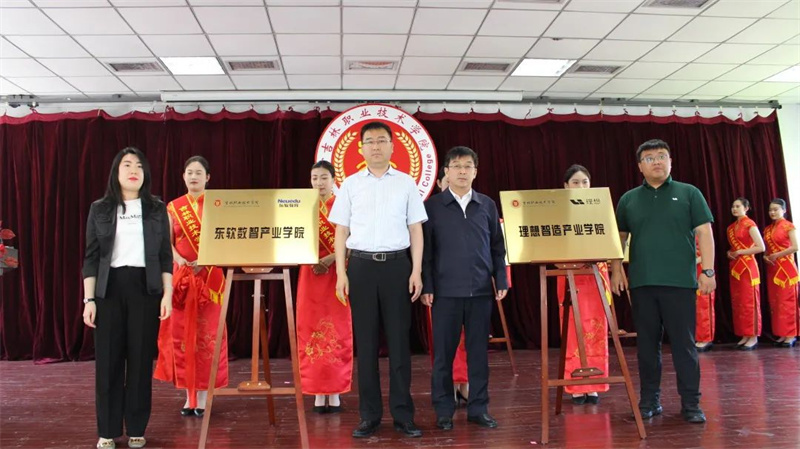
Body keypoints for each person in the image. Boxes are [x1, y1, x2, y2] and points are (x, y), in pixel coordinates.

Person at [329, 121, 428, 438]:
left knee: (399, 344)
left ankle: (403, 415)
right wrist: (341, 273)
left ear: (392, 146)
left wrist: (416, 270)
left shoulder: (406, 183)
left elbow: (416, 229)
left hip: (397, 267)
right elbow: (341, 230)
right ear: (360, 148)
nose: (375, 146)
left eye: (381, 140)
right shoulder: (350, 185)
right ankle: (369, 416)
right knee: (367, 344)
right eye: (369, 141)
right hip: (361, 267)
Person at [610, 139, 715, 424]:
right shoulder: (628, 199)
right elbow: (620, 239)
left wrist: (708, 271)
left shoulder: (689, 193)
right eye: (649, 158)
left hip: (680, 283)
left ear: (670, 162)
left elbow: (704, 233)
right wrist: (616, 270)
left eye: (661, 156)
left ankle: (691, 404)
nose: (656, 161)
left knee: (684, 346)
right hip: (642, 283)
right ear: (640, 166)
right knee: (646, 347)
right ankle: (649, 401)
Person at [82, 147, 173, 449]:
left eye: (139, 166)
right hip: (108, 291)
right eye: (127, 165)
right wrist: (89, 300)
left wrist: (167, 294)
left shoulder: (156, 209)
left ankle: (136, 427)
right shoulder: (100, 208)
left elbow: (165, 255)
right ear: (116, 172)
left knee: (140, 361)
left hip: (145, 290)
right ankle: (107, 431)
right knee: (108, 362)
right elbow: (91, 257)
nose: (133, 170)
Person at [421, 146, 508, 431]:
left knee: (478, 355)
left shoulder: (487, 205)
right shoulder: (432, 207)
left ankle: (478, 408)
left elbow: (498, 247)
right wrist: (427, 285)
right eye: (456, 166)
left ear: (475, 172)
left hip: (481, 292)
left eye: (467, 166)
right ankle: (443, 410)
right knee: (443, 357)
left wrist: (501, 279)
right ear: (446, 172)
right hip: (444, 293)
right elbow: (426, 252)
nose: (462, 171)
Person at [153, 156, 228, 418]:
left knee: (207, 337)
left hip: (210, 277)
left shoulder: (219, 205)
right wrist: (179, 259)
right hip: (182, 277)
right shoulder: (174, 207)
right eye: (189, 172)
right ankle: (189, 398)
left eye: (198, 172)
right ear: (183, 176)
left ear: (208, 177)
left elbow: (226, 239)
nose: (193, 176)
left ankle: (204, 397)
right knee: (183, 336)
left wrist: (205, 260)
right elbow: (167, 243)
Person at [296, 160, 353, 413]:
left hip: (337, 273)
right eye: (314, 178)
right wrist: (311, 260)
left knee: (338, 328)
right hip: (309, 274)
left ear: (333, 180)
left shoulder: (343, 205)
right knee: (309, 328)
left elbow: (354, 240)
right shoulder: (302, 207)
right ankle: (317, 391)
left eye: (323, 178)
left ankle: (336, 390)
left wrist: (330, 259)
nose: (318, 183)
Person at [556, 165, 610, 405]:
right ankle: (576, 384)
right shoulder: (557, 212)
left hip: (595, 274)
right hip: (569, 273)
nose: (581, 186)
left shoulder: (600, 209)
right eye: (575, 182)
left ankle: (595, 383)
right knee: (572, 328)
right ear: (566, 186)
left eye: (585, 182)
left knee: (596, 328)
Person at [426, 167, 470, 406]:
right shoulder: (432, 211)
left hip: (469, 286)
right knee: (445, 341)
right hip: (441, 287)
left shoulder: (474, 207)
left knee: (468, 338)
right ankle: (449, 388)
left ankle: (465, 384)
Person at [726, 197, 765, 350]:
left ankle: (753, 335)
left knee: (750, 302)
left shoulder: (750, 224)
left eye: (738, 206)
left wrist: (740, 252)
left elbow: (761, 247)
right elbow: (734, 248)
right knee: (739, 302)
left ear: (746, 208)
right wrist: (730, 253)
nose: (734, 209)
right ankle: (744, 334)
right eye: (733, 206)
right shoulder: (731, 227)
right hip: (736, 268)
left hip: (748, 268)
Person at [763, 198, 799, 348]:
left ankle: (791, 334)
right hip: (773, 268)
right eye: (770, 210)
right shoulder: (767, 229)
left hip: (786, 269)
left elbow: (795, 247)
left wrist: (777, 255)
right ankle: (782, 333)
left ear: (784, 210)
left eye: (776, 209)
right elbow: (767, 249)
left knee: (787, 301)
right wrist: (766, 256)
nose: (772, 212)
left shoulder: (788, 226)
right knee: (776, 302)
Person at [694, 236, 715, 352]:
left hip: (702, 268)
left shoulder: (704, 231)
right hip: (691, 270)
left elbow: (708, 250)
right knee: (695, 307)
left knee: (704, 305)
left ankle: (706, 338)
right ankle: (697, 336)